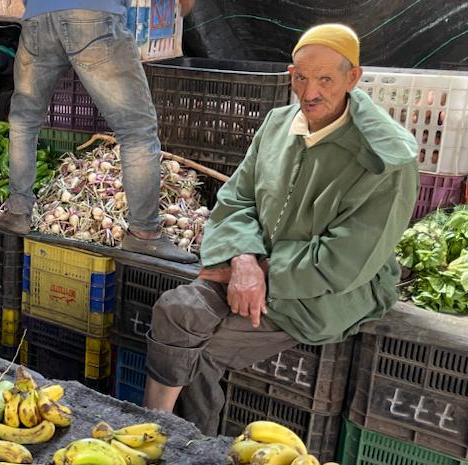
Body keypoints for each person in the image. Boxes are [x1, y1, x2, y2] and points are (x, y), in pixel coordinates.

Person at [143, 24, 419, 435]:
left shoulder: (387, 159)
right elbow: (237, 199)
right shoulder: (277, 124)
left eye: (326, 79)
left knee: (202, 355)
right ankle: (148, 429)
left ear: (353, 78)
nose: (310, 93)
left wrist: (263, 273)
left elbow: (344, 263)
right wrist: (242, 260)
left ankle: (187, 451)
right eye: (301, 78)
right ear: (290, 74)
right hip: (249, 266)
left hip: (320, 293)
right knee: (176, 309)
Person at [0, 0, 198, 263]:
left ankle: (17, 212)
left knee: (25, 118)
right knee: (136, 129)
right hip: (94, 14)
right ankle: (143, 232)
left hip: (38, 17)